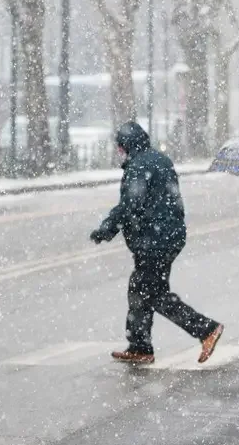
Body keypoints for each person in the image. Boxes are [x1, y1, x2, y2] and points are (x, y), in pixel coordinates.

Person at [90, 121, 224, 365]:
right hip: (167, 236)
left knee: (153, 293)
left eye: (120, 146)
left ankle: (206, 329)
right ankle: (139, 346)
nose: (120, 151)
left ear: (126, 145)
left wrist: (107, 228)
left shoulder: (139, 166)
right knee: (140, 288)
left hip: (154, 240)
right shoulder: (159, 160)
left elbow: (131, 204)